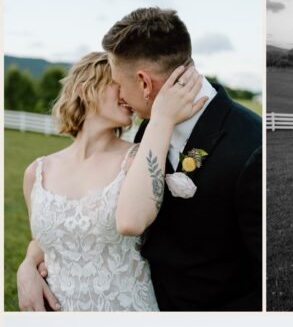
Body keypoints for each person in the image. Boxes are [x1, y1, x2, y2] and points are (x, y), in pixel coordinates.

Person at [17, 8, 263, 313]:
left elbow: (263, 278)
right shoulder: (149, 130)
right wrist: (27, 265)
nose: (121, 94)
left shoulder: (253, 147)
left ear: (144, 84)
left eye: (120, 82)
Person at [18, 49, 202, 311]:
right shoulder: (36, 172)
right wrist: (26, 267)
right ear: (85, 89)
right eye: (118, 85)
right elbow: (47, 240)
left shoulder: (138, 159)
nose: (129, 94)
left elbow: (135, 222)